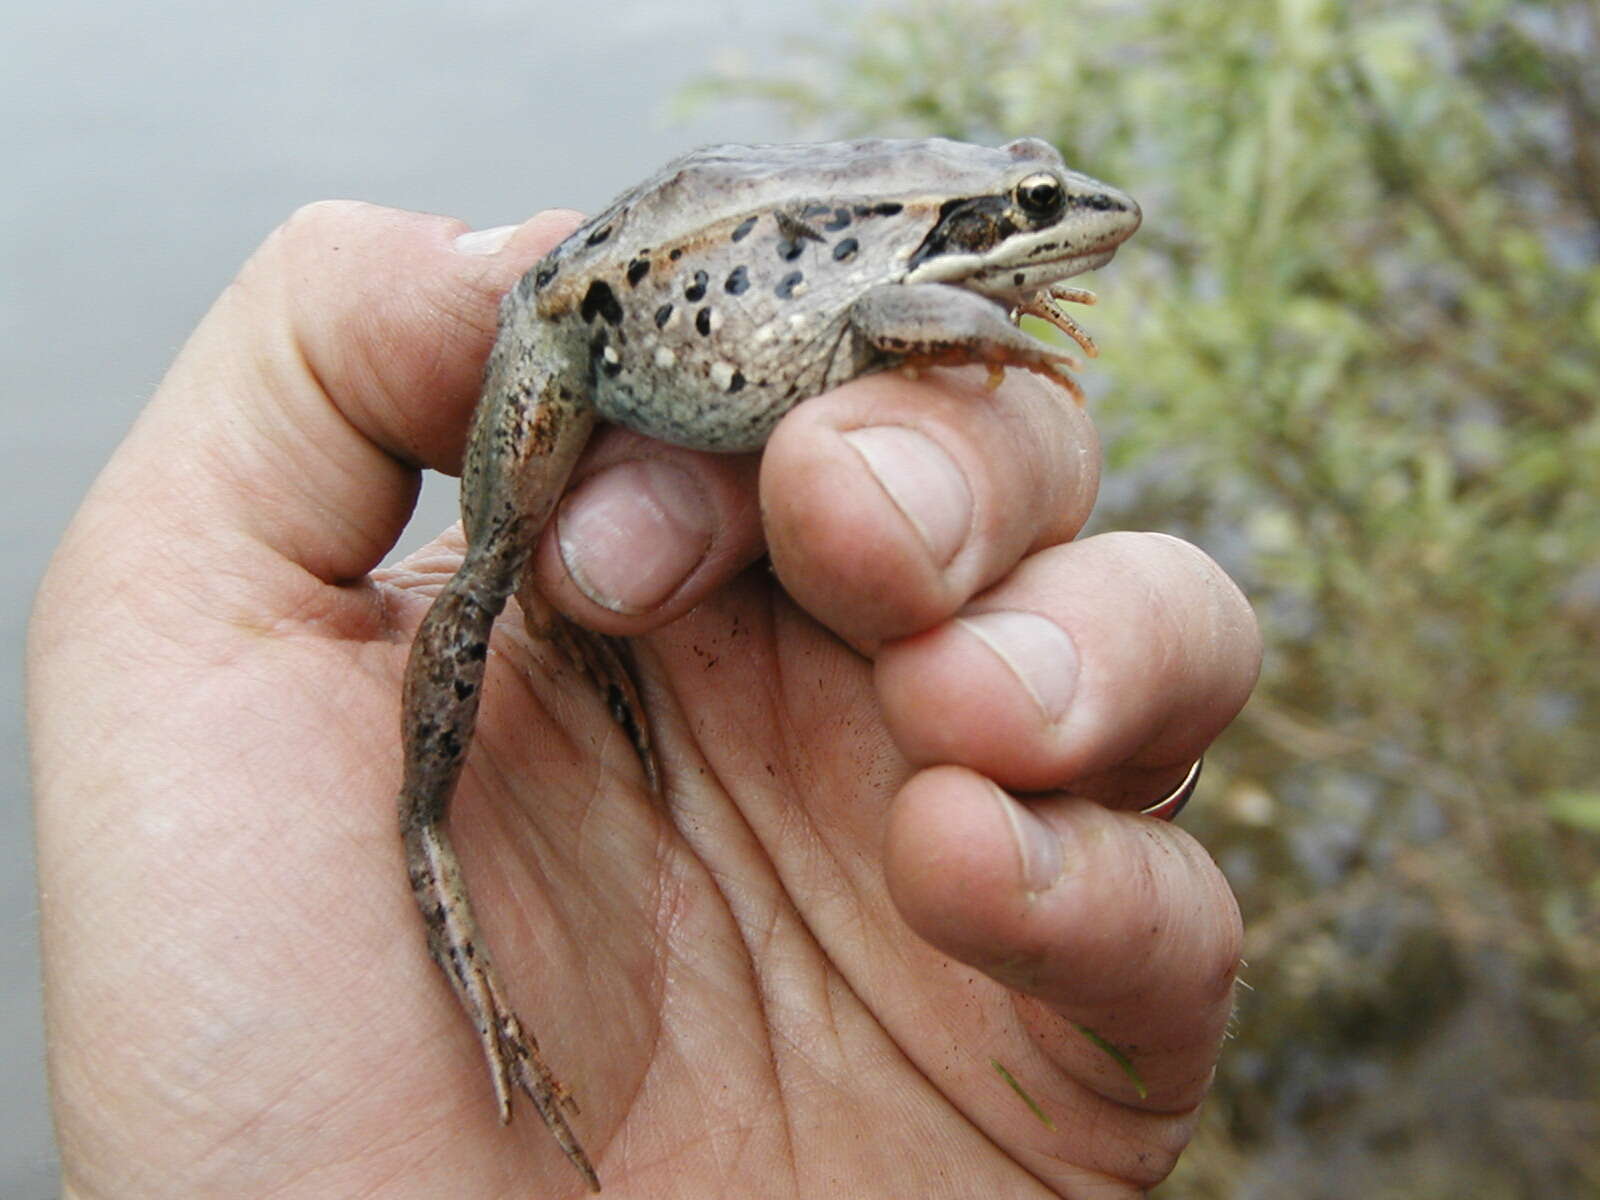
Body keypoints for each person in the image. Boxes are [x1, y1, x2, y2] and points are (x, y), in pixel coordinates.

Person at [28, 200, 1260, 1196]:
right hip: (580, 321)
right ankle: (423, 829)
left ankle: (575, 629)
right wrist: (996, 333)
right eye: (1034, 210)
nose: (1080, 221)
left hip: (708, 389)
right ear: (971, 220)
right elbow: (892, 307)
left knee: (799, 534)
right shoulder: (909, 279)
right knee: (484, 577)